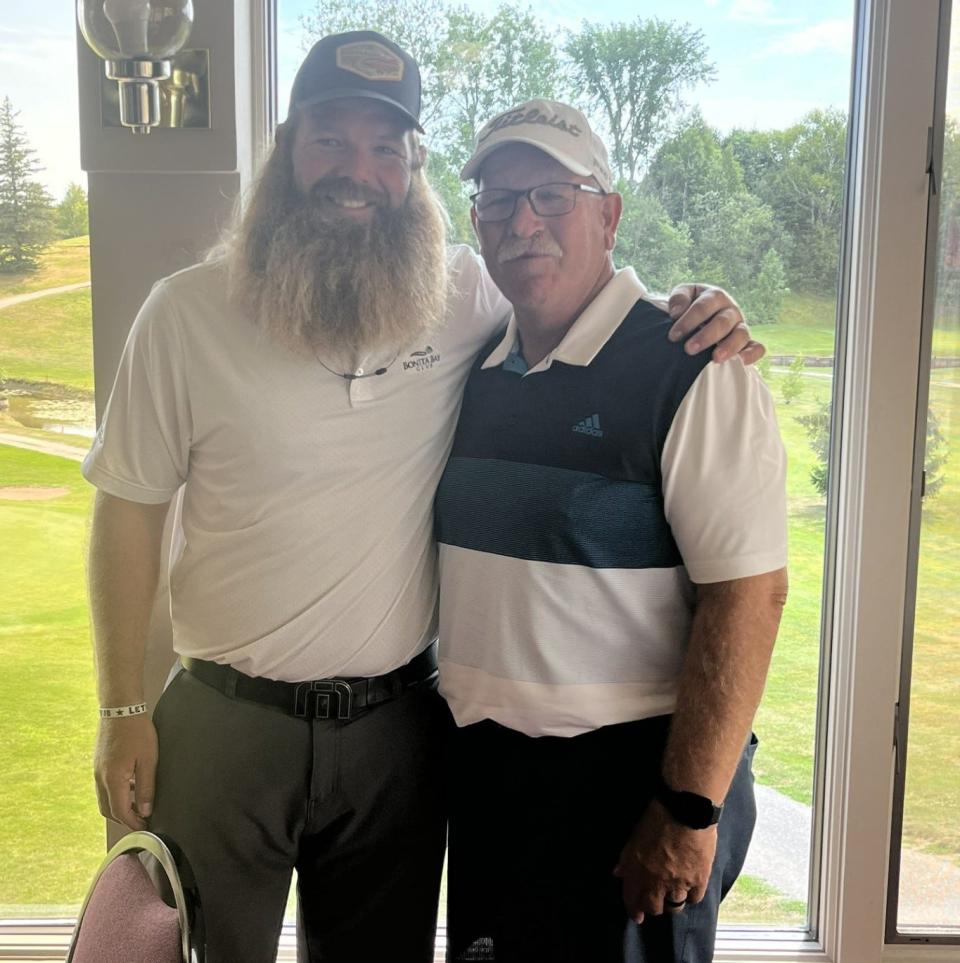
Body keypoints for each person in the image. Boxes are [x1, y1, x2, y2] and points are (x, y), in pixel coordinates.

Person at [83, 33, 762, 963]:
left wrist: (698, 309)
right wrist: (122, 709)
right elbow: (126, 507)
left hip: (395, 735)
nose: (354, 172)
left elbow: (571, 275)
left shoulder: (464, 296)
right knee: (197, 952)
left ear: (416, 168)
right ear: (287, 149)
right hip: (222, 722)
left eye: (384, 147)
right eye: (330, 140)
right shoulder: (186, 312)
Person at [435, 98, 789, 963]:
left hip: (635, 787)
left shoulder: (691, 366)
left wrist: (690, 808)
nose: (523, 222)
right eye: (498, 200)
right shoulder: (472, 362)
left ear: (609, 213)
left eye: (553, 195)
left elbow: (749, 593)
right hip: (489, 782)